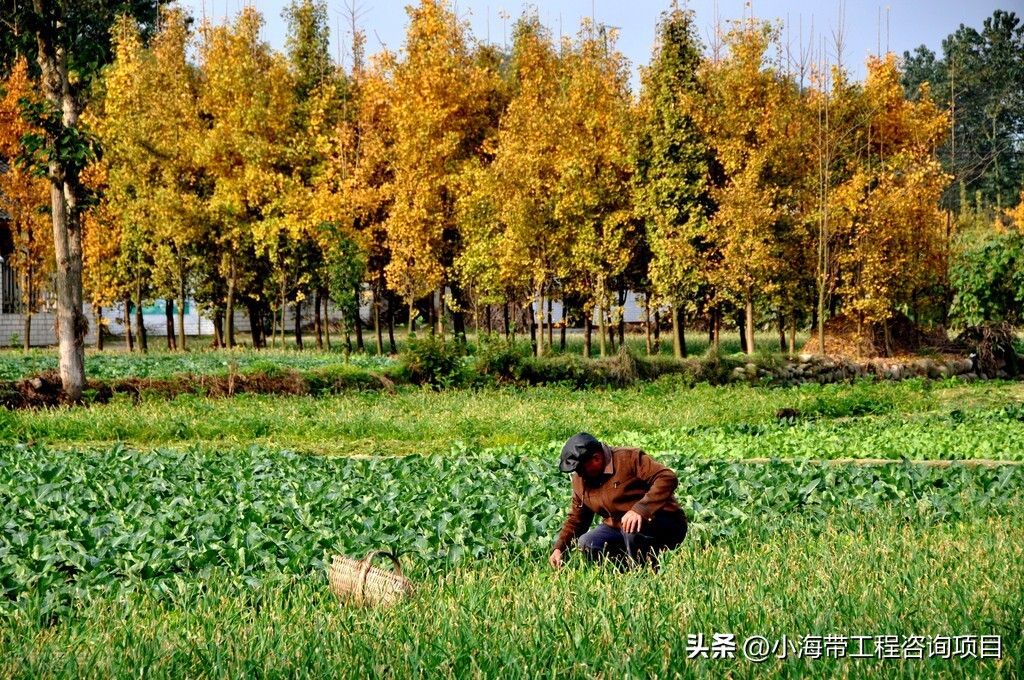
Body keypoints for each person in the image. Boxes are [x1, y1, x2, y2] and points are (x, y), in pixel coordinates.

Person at [549, 432, 687, 569]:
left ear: (596, 458)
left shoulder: (629, 458)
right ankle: (623, 572)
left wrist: (640, 510)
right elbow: (577, 520)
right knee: (587, 542)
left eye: (581, 469)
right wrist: (560, 548)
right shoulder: (581, 480)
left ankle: (645, 574)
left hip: (663, 522)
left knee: (631, 528)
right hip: (619, 527)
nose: (579, 474)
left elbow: (667, 477)